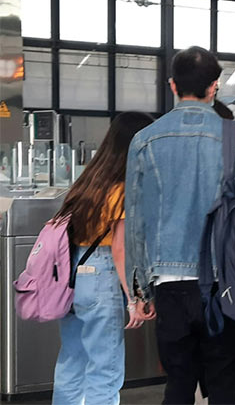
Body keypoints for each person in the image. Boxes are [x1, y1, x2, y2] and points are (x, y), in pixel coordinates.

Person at [125, 46, 235, 405]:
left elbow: (137, 221)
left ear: (172, 85)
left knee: (178, 383)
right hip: (223, 285)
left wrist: (142, 289)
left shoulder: (144, 141)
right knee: (223, 383)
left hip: (170, 286)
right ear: (215, 87)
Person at [51, 112, 156, 405]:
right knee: (105, 370)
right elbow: (120, 249)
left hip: (74, 274)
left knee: (72, 362)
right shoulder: (122, 188)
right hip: (102, 277)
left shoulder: (88, 182)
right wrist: (134, 299)